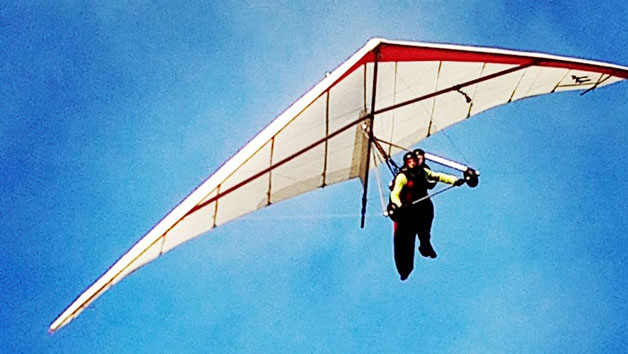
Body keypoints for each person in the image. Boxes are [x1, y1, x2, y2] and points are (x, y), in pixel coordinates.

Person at [387, 149, 464, 281]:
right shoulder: (402, 176)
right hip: (406, 212)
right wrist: (400, 206)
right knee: (404, 242)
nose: (412, 163)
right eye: (409, 162)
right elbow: (394, 194)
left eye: (414, 161)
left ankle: (425, 245)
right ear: (406, 163)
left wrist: (455, 180)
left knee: (427, 215)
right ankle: (405, 269)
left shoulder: (422, 172)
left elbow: (437, 176)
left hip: (422, 208)